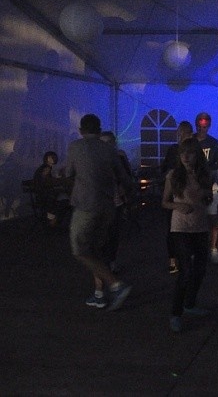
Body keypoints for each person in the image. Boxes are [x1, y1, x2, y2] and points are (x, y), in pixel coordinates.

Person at [65, 114, 134, 311]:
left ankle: (116, 285)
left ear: (81, 130)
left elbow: (69, 173)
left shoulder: (75, 147)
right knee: (97, 251)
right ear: (99, 129)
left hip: (86, 206)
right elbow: (124, 178)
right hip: (108, 207)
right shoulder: (109, 149)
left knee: (80, 250)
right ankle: (99, 294)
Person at [161, 137, 213, 333]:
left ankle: (190, 303)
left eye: (190, 153)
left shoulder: (204, 175)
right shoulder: (174, 175)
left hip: (200, 226)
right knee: (186, 271)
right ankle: (176, 313)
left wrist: (207, 197)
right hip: (181, 228)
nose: (186, 157)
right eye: (183, 153)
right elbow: (164, 201)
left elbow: (207, 198)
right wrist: (178, 205)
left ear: (197, 155)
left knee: (200, 269)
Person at [161, 121, 194, 274]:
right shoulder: (173, 150)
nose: (181, 136)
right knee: (172, 229)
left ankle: (187, 256)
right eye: (179, 133)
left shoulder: (195, 151)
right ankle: (173, 259)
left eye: (184, 134)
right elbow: (165, 170)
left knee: (190, 227)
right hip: (175, 195)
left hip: (189, 195)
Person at [99, 131, 133, 274]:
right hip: (100, 202)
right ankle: (103, 263)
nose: (106, 145)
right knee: (101, 235)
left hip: (115, 201)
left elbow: (127, 176)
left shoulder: (119, 157)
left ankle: (110, 261)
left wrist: (123, 188)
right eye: (103, 143)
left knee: (113, 234)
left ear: (113, 143)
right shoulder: (95, 159)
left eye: (108, 142)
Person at [194, 112, 218, 265]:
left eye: (204, 127)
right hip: (193, 187)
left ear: (209, 126)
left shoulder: (214, 143)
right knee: (194, 220)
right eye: (200, 127)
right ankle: (196, 250)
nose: (202, 130)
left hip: (210, 186)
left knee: (213, 219)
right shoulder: (190, 142)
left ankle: (213, 248)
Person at [32, 151, 67, 227]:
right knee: (64, 200)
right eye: (51, 157)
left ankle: (53, 220)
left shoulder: (46, 167)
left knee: (62, 197)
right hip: (44, 196)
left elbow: (47, 181)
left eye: (54, 157)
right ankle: (53, 221)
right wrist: (58, 181)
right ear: (47, 158)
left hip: (43, 195)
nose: (53, 159)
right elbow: (46, 181)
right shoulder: (46, 168)